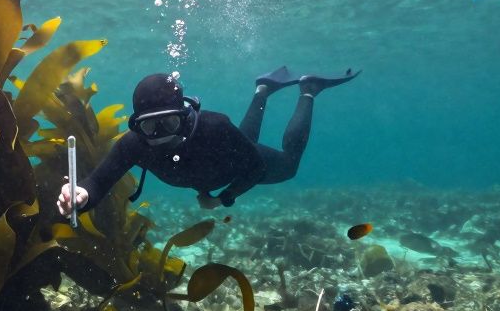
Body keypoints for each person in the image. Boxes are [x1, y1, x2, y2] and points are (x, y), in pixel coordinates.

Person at [57, 67, 358, 213]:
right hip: (222, 162)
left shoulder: (214, 127)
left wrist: (222, 197)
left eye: (170, 122)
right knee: (246, 140)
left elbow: (254, 167)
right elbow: (98, 182)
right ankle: (263, 90)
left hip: (234, 170)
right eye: (151, 127)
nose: (162, 136)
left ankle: (309, 90)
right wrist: (80, 195)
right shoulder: (134, 144)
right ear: (138, 126)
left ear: (184, 116)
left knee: (288, 165)